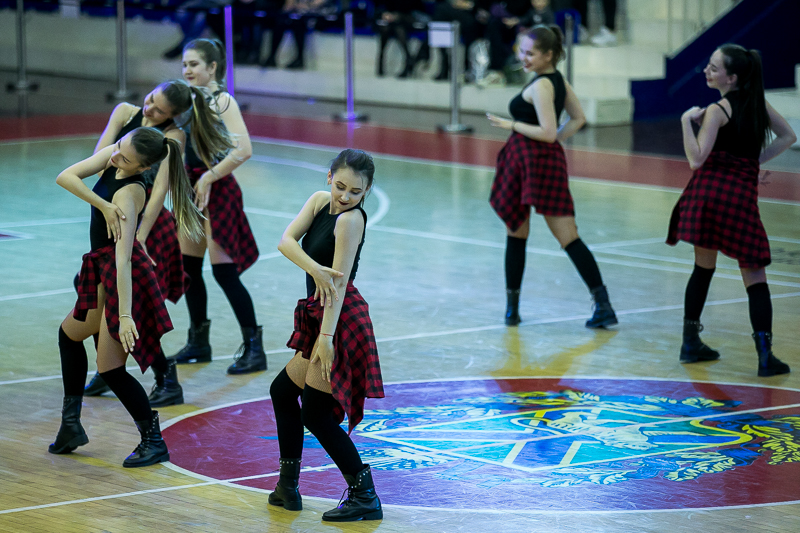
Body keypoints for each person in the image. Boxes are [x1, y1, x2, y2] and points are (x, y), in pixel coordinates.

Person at [50, 127, 203, 467]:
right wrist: (102, 205)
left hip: (120, 279)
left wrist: (124, 315)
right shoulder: (116, 156)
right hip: (100, 271)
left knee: (111, 369)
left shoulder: (130, 195)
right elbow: (65, 177)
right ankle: (70, 425)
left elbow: (123, 261)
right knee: (69, 336)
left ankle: (153, 440)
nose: (116, 154)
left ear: (142, 167)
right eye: (119, 146)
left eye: (125, 157)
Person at [82, 80, 234, 405]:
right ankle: (109, 365)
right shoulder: (125, 113)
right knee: (95, 293)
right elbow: (99, 160)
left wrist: (140, 237)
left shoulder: (173, 136)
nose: (149, 108)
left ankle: (166, 379)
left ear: (173, 115)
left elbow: (159, 193)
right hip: (115, 213)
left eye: (159, 109)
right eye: (150, 99)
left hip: (146, 226)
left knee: (133, 305)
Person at [268, 149, 384, 522]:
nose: (345, 196)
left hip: (338, 319)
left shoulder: (351, 220)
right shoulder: (320, 201)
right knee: (283, 392)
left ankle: (364, 495)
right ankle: (288, 486)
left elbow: (339, 285)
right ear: (330, 176)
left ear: (367, 191)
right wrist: (317, 269)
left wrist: (326, 337)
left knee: (317, 414)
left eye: (356, 191)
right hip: (320, 313)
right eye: (341, 186)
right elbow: (285, 241)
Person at [667, 44, 796, 376]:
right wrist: (753, 161)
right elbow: (788, 136)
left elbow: (696, 159)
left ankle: (690, 343)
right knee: (755, 277)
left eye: (714, 68)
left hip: (707, 195)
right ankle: (765, 356)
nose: (706, 71)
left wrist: (685, 122)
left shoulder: (717, 110)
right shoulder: (757, 105)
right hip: (739, 198)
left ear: (732, 77)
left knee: (702, 268)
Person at [487, 25, 617, 328]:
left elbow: (546, 132)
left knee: (520, 233)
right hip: (542, 162)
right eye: (522, 51)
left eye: (530, 53)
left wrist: (512, 125)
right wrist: (557, 137)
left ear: (548, 55)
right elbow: (578, 118)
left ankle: (512, 310)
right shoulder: (558, 81)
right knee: (562, 236)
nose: (524, 57)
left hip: (529, 161)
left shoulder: (542, 86)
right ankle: (603, 305)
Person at [174, 38, 266, 375]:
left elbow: (244, 150)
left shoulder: (223, 101)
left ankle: (254, 348)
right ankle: (199, 343)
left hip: (217, 189)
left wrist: (210, 177)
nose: (187, 70)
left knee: (224, 272)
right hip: (192, 188)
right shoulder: (185, 101)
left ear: (212, 67)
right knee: (188, 269)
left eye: (194, 64)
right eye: (184, 64)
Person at [261, 0, 337, 69]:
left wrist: (307, 6)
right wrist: (288, 8)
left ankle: (300, 59)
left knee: (299, 22)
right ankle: (272, 57)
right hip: (301, 11)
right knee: (281, 22)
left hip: (321, 12)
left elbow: (319, 2)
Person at [374, 0, 427, 78]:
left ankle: (408, 59)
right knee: (385, 28)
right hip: (393, 19)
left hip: (408, 17)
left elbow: (417, 7)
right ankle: (382, 61)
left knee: (399, 29)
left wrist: (398, 15)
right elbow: (384, 5)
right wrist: (386, 13)